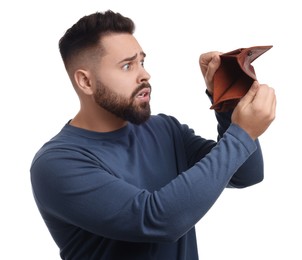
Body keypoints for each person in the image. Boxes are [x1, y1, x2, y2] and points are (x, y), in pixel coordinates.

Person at [30, 10, 276, 260]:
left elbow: (245, 174)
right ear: (86, 82)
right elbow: (159, 219)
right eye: (127, 66)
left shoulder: (163, 129)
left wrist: (226, 100)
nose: (144, 75)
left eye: (142, 62)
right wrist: (241, 134)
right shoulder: (57, 164)